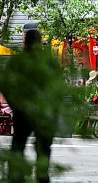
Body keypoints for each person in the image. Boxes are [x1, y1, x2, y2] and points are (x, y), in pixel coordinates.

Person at [0, 29, 64, 183]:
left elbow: (6, 86)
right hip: (45, 111)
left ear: (25, 42)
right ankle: (42, 176)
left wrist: (15, 105)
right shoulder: (50, 62)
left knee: (18, 146)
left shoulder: (17, 62)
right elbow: (58, 87)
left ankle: (16, 176)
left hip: (23, 110)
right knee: (43, 147)